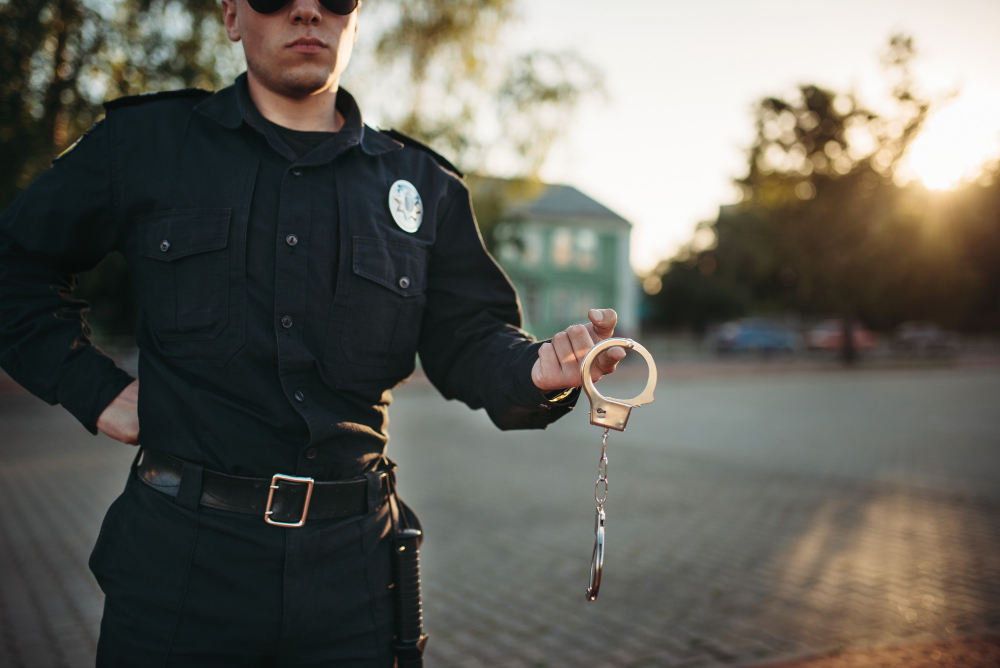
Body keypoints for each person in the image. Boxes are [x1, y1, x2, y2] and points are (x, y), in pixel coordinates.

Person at [0, 0, 627, 664]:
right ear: (233, 16)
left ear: (354, 18)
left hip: (354, 577)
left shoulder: (421, 184)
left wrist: (539, 370)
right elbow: (14, 265)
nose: (307, 10)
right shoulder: (147, 144)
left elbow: (469, 335)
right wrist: (91, 387)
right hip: (180, 569)